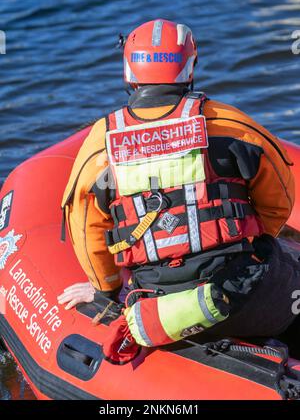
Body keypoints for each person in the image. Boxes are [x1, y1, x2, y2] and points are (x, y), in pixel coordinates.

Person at [58, 19, 299, 364]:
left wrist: (106, 291)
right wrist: (251, 240)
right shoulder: (233, 125)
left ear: (129, 70)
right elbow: (279, 202)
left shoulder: (100, 145)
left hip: (157, 307)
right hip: (246, 297)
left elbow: (86, 229)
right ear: (190, 67)